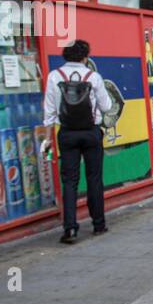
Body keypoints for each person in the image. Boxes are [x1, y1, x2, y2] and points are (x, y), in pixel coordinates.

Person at [41, 40, 111, 244]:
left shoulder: (55, 77)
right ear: (85, 57)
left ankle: (70, 229)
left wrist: (47, 139)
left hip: (67, 133)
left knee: (69, 181)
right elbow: (106, 107)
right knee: (94, 178)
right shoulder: (94, 77)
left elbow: (49, 112)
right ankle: (98, 224)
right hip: (91, 132)